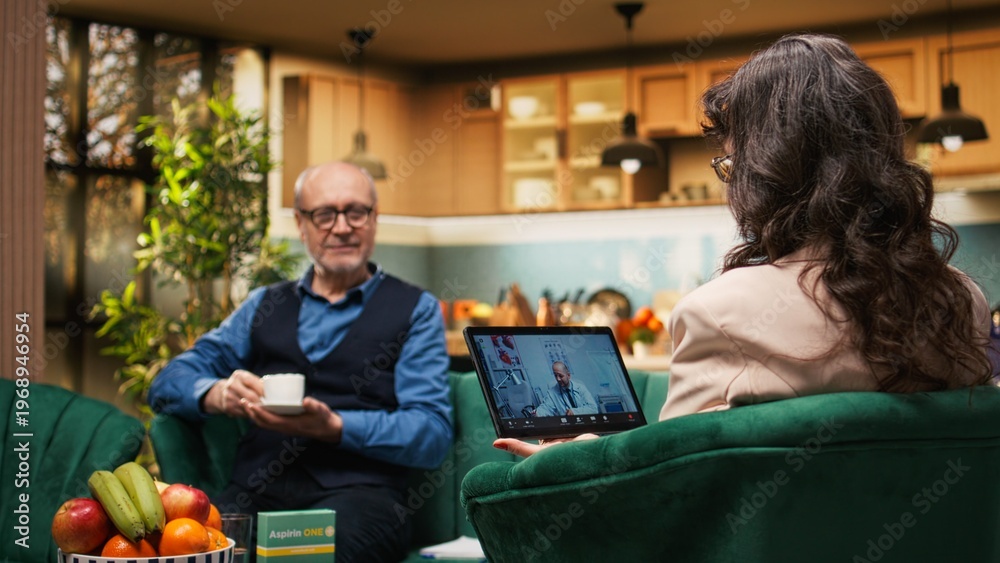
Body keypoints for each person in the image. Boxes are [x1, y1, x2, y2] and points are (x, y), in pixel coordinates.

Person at [496, 33, 995, 457]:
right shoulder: (962, 301)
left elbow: (669, 494)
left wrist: (581, 463)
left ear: (769, 172)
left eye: (731, 165)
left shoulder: (719, 314)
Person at [147, 161, 452, 563]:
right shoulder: (264, 304)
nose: (342, 227)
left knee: (309, 556)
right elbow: (167, 382)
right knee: (191, 551)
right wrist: (216, 393)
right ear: (301, 223)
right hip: (255, 491)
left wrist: (336, 427)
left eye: (356, 212)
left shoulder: (416, 309)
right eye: (325, 214)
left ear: (374, 219)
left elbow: (430, 433)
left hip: (361, 500)